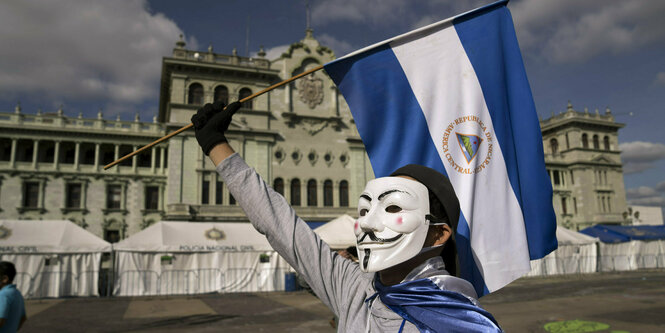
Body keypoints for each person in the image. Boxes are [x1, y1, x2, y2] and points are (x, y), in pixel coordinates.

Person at [192, 102, 501, 332]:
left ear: (438, 234)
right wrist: (215, 145)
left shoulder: (463, 322)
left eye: (392, 208)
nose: (365, 223)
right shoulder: (354, 287)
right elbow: (280, 225)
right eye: (364, 210)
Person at [0, 262, 26, 332]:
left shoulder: (3, 294)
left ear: (4, 279)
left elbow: (1, 320)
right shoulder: (17, 293)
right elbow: (23, 318)